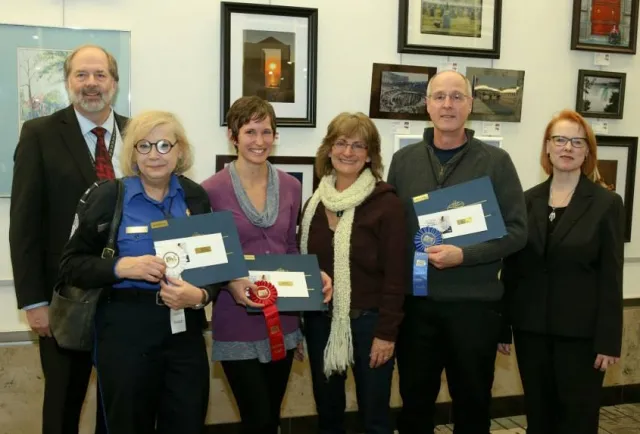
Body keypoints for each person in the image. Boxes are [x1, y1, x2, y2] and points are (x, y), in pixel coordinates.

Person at [57, 110, 215, 434]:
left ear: (179, 151)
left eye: (163, 145)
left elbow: (216, 266)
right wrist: (119, 266)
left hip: (184, 329)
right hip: (125, 328)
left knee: (188, 421)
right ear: (132, 153)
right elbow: (71, 266)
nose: (154, 154)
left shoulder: (196, 197)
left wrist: (200, 295)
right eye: (144, 146)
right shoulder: (108, 197)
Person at [387, 70, 527, 434]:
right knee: (414, 405)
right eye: (439, 97)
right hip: (418, 306)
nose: (447, 104)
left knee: (473, 404)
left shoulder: (496, 163)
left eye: (456, 96)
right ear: (427, 105)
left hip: (475, 307)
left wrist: (464, 256)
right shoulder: (403, 162)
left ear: (469, 105)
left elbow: (517, 233)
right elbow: (393, 232)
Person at [9, 44, 127, 434]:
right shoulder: (40, 134)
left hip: (128, 297)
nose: (91, 84)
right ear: (68, 82)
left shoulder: (139, 135)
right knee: (62, 407)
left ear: (114, 81)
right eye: (81, 75)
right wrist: (34, 301)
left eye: (100, 75)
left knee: (121, 406)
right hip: (64, 301)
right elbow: (24, 224)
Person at [201, 95, 332, 434]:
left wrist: (310, 278)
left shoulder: (290, 186)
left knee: (270, 418)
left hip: (284, 319)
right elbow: (209, 257)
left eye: (266, 132)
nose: (259, 141)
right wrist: (230, 282)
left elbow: (289, 245)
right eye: (249, 132)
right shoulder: (210, 190)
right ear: (233, 136)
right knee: (256, 419)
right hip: (236, 317)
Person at [500, 110, 624, 434]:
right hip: (532, 334)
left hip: (581, 339)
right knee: (539, 419)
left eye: (576, 141)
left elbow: (611, 277)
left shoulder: (606, 203)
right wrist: (504, 327)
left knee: (577, 421)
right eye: (559, 139)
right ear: (548, 148)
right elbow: (512, 271)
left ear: (587, 151)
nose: (567, 147)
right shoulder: (525, 201)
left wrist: (609, 340)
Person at [298, 112, 406, 434]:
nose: (348, 152)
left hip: (370, 324)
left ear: (370, 154)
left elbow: (396, 274)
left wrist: (386, 333)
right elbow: (302, 266)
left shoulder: (387, 205)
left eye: (358, 145)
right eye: (341, 143)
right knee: (328, 412)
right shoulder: (313, 203)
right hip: (320, 322)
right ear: (329, 149)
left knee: (374, 415)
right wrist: (302, 322)